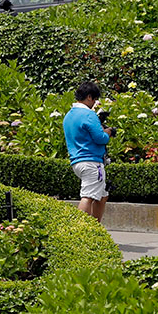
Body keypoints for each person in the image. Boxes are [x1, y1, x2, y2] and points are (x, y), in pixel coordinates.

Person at [63, 81, 116, 223]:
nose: (94, 103)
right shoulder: (88, 114)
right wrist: (109, 132)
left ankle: (95, 229)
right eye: (95, 99)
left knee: (103, 195)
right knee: (88, 196)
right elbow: (100, 138)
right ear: (89, 97)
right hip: (92, 162)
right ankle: (80, 231)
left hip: (77, 162)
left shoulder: (69, 115)